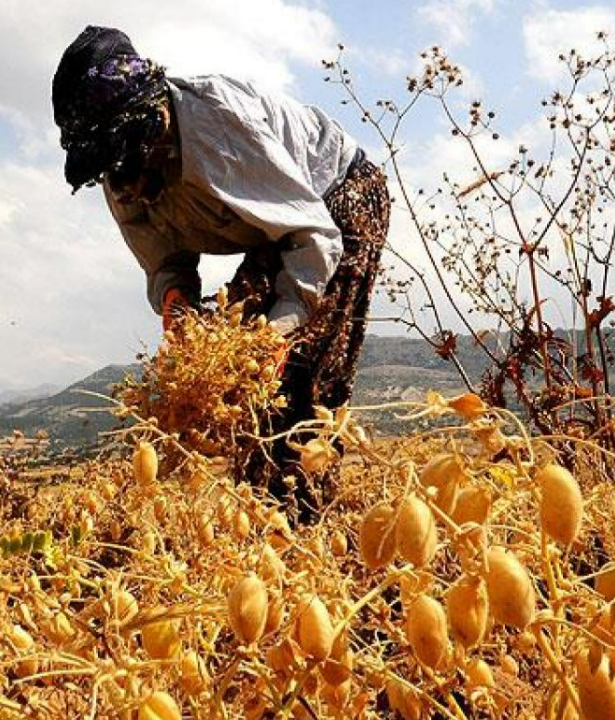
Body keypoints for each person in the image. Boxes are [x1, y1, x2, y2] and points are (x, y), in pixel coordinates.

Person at [52, 26, 391, 522]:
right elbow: (165, 264)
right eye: (108, 169)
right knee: (242, 391)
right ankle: (266, 526)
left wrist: (278, 334)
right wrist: (178, 312)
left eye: (126, 159)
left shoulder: (218, 126)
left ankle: (308, 530)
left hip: (334, 199)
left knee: (301, 382)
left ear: (154, 122)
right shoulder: (118, 170)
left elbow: (311, 235)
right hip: (280, 230)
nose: (122, 186)